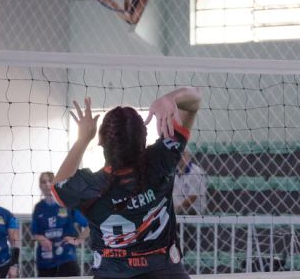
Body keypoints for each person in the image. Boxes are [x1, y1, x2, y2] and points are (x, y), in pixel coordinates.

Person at [52, 87, 201, 279]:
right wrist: (170, 98)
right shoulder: (162, 158)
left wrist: (82, 139)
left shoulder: (89, 185)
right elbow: (193, 103)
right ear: (143, 140)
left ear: (101, 142)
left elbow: (58, 188)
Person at [31, 172, 89, 277]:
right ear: (40, 186)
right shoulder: (38, 208)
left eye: (50, 181)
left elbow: (89, 224)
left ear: (55, 183)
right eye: (44, 182)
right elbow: (34, 233)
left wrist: (78, 240)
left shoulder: (68, 204)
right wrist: (42, 239)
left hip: (66, 259)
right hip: (45, 261)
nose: (48, 184)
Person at [172, 150, 207, 215]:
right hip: (176, 207)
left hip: (194, 208)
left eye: (183, 155)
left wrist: (175, 208)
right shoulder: (174, 171)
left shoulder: (196, 172)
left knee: (178, 212)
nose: (180, 157)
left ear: (188, 156)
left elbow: (192, 198)